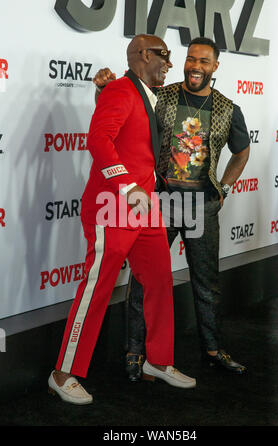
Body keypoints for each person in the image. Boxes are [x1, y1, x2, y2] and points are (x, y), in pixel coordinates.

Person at [48, 34, 196, 405]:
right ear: (143, 54)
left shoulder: (148, 94)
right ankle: (62, 373)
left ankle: (158, 362)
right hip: (111, 206)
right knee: (95, 292)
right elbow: (99, 140)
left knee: (161, 281)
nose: (169, 63)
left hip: (145, 209)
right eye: (164, 55)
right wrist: (127, 185)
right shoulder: (120, 90)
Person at [94, 37, 250, 383]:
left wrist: (224, 187)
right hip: (159, 200)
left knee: (207, 282)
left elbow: (242, 151)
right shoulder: (159, 95)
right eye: (191, 59)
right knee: (143, 280)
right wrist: (103, 90)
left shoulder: (228, 108)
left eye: (204, 61)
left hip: (201, 205)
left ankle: (212, 350)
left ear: (215, 67)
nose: (195, 66)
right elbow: (120, 119)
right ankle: (135, 351)